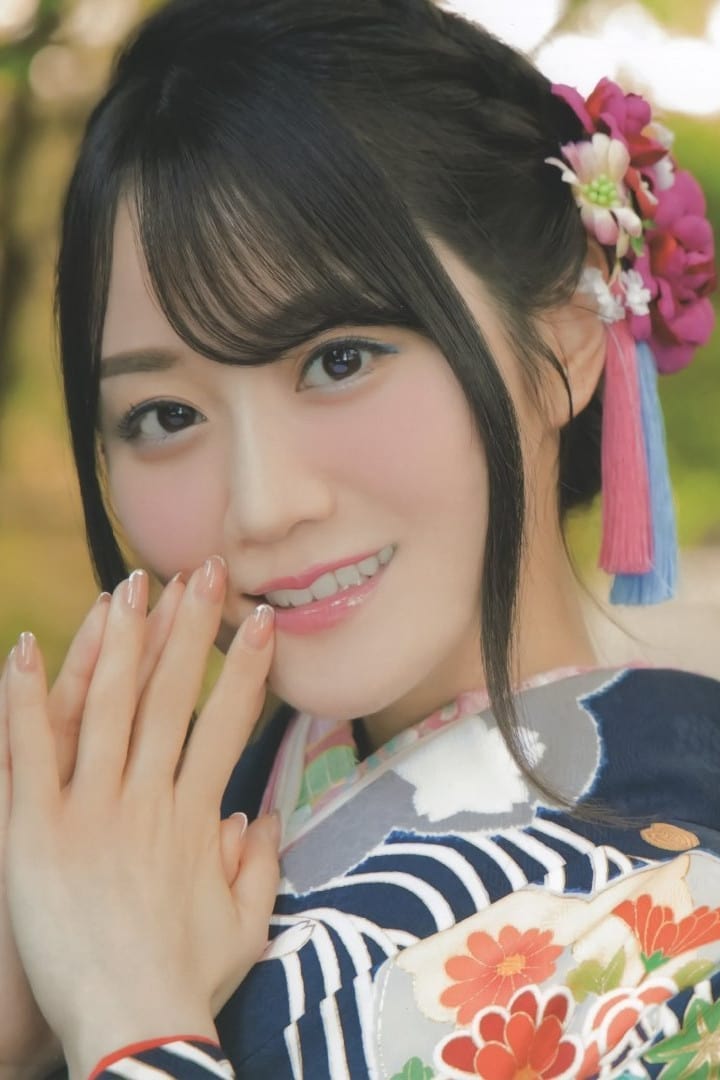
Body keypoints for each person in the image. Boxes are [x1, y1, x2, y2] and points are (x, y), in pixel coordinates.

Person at [1, 0, 719, 1077]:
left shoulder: (681, 941)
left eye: (338, 360)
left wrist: (130, 1023)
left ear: (567, 338)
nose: (261, 505)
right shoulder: (121, 870)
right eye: (165, 415)